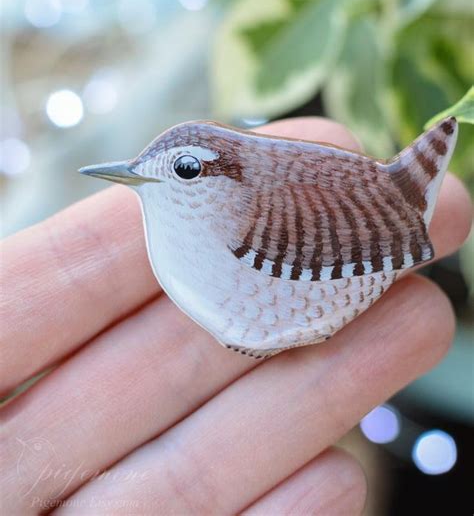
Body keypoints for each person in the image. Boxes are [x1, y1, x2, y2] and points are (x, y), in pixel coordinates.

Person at [1, 118, 471, 515]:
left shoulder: (247, 221)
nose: (150, 180)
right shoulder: (190, 236)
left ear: (224, 178)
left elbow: (345, 260)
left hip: (377, 236)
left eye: (185, 169)